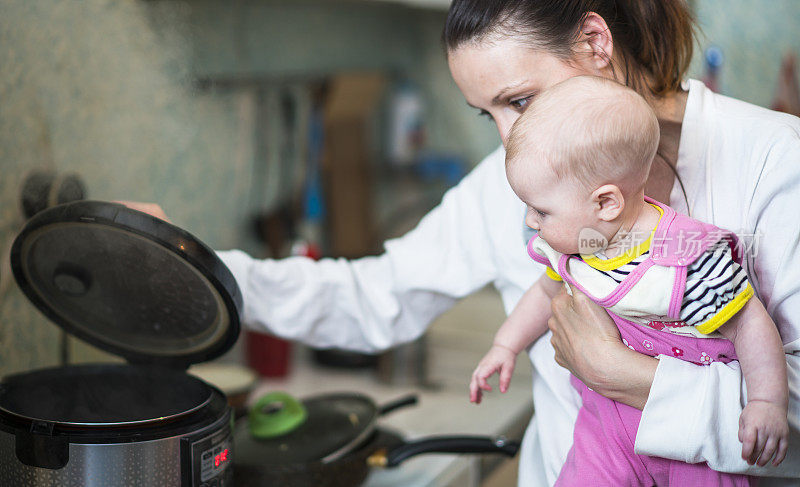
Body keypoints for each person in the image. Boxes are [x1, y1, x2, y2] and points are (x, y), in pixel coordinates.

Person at [126, 1, 800, 484]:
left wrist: (628, 378)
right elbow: (376, 295)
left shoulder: (776, 163)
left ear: (595, 41)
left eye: (522, 101)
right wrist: (190, 265)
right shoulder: (512, 188)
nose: (508, 142)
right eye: (490, 115)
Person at [469, 75, 788, 485]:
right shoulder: (575, 245)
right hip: (603, 429)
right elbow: (546, 288)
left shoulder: (688, 257)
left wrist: (765, 401)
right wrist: (504, 344)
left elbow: (749, 324)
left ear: (605, 203)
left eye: (540, 211)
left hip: (688, 442)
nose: (530, 222)